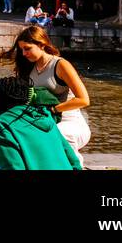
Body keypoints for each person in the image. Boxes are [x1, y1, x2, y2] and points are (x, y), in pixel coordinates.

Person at [12, 24, 92, 155]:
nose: (24, 53)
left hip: (70, 124)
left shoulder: (61, 65)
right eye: (21, 49)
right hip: (44, 121)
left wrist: (54, 109)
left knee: (47, 136)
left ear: (42, 45)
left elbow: (84, 100)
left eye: (27, 49)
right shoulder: (29, 68)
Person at [0, 75, 82, 170]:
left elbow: (13, 166)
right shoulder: (44, 116)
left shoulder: (2, 124)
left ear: (4, 98)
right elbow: (74, 160)